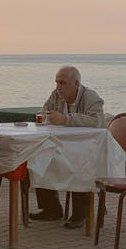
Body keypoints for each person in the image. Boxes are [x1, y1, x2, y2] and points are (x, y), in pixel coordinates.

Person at [29, 65, 105, 229]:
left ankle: (81, 212)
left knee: (78, 162)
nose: (58, 87)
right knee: (38, 157)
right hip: (62, 145)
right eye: (56, 82)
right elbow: (44, 112)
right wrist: (44, 117)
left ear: (76, 83)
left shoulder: (91, 98)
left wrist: (66, 119)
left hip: (87, 148)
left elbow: (97, 122)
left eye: (62, 83)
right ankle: (51, 209)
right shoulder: (55, 95)